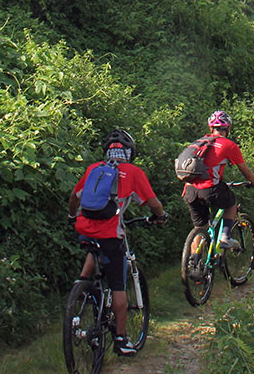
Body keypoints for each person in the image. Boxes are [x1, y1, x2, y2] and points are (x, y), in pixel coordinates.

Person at [69, 129, 167, 357]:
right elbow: (153, 203)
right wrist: (160, 216)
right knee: (118, 285)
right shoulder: (132, 172)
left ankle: (81, 285)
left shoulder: (94, 169)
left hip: (84, 230)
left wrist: (72, 217)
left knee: (95, 247)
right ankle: (121, 339)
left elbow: (74, 197)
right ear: (130, 152)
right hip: (111, 235)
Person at [181, 111, 254, 250]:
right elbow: (245, 171)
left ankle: (194, 264)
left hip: (189, 191)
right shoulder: (229, 145)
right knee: (230, 204)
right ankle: (225, 237)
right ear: (228, 128)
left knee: (200, 228)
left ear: (210, 128)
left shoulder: (198, 143)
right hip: (210, 189)